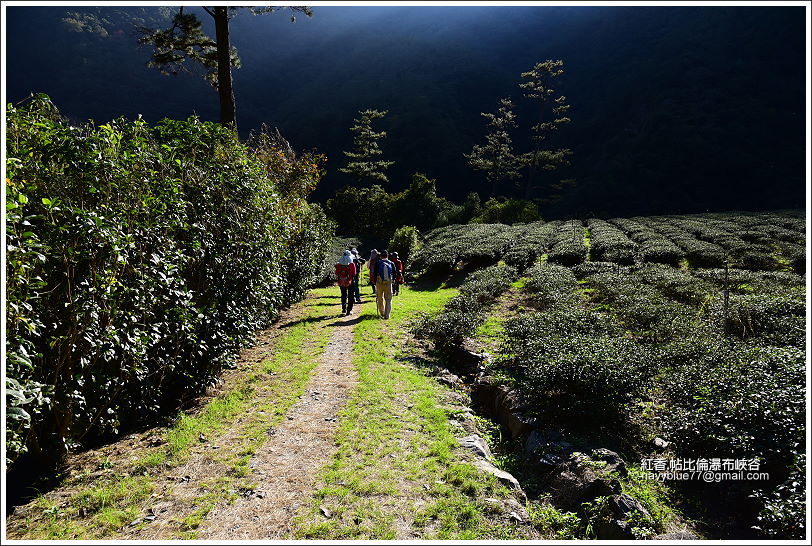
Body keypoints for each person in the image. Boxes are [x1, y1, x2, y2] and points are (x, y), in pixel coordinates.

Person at [371, 249, 396, 319]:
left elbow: (374, 274)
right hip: (388, 283)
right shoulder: (391, 263)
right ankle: (387, 315)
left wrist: (374, 282)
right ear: (387, 255)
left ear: (380, 256)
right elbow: (394, 274)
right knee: (388, 299)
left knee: (380, 298)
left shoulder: (378, 263)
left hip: (379, 283)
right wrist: (392, 281)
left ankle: (382, 312)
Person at [335, 250, 357, 316]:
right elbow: (354, 273)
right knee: (350, 295)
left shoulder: (338, 264)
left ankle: (343, 309)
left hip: (341, 282)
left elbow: (336, 273)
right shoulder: (351, 264)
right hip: (350, 281)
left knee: (343, 295)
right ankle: (349, 310)